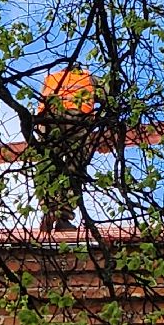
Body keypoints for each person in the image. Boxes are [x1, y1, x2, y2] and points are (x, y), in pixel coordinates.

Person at [32, 69, 110, 232]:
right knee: (75, 166)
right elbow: (110, 96)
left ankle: (49, 209)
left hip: (49, 117)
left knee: (47, 163)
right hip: (78, 117)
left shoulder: (51, 78)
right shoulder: (89, 77)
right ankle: (64, 217)